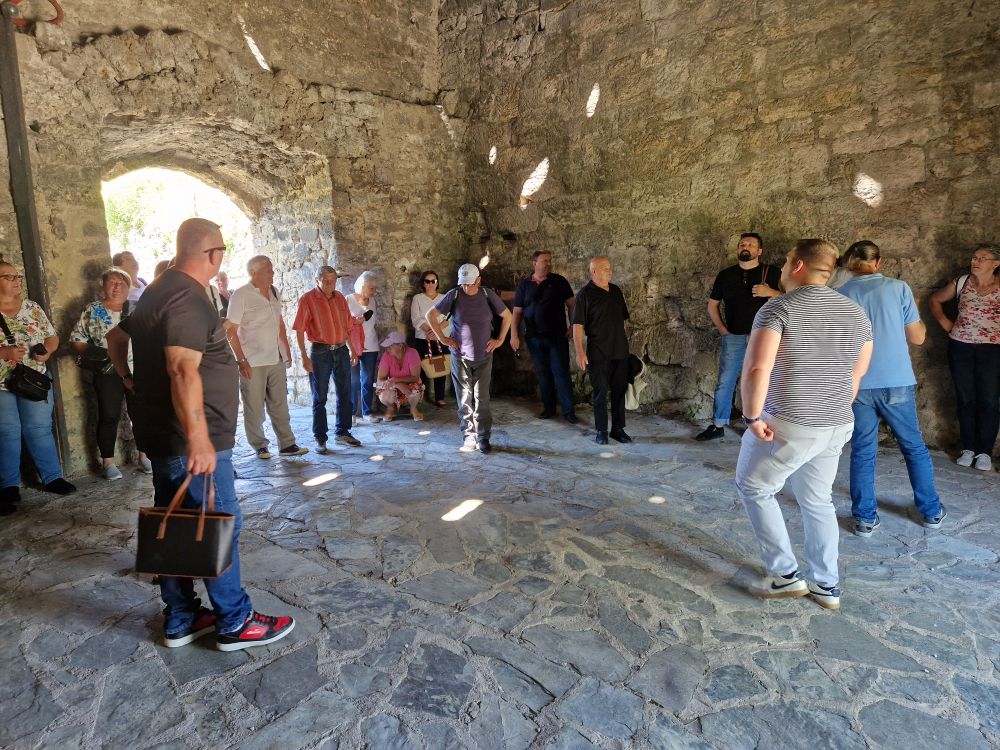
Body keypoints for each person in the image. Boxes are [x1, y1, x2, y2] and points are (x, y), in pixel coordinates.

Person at [107, 218, 294, 650]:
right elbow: (181, 368)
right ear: (213, 254)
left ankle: (182, 616)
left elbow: (116, 336)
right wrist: (199, 438)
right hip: (189, 437)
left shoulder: (159, 289)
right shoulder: (186, 297)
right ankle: (235, 620)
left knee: (174, 523)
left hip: (164, 434)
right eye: (222, 250)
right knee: (218, 523)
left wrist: (127, 377)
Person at [735, 239, 872, 611]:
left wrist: (752, 417)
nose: (781, 268)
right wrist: (833, 409)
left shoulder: (778, 307)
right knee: (817, 500)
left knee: (754, 486)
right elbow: (857, 372)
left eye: (785, 262)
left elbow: (758, 367)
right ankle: (826, 585)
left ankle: (784, 575)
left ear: (797, 265)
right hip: (836, 423)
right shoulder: (856, 313)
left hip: (790, 421)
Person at [838, 241, 945, 536]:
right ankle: (931, 511)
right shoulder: (898, 288)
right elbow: (918, 337)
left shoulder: (840, 294)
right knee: (913, 446)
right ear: (878, 262)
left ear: (849, 264)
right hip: (896, 379)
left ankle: (864, 518)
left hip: (858, 381)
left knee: (863, 449)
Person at [0, 260, 76, 513]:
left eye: (17, 276)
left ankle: (52, 477)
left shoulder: (31, 307)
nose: (16, 280)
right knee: (7, 432)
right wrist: (4, 353)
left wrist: (48, 352)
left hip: (33, 378)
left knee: (39, 428)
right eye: (9, 276)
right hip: (1, 383)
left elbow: (51, 335)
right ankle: (9, 485)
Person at [696, 232, 782, 441]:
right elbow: (712, 305)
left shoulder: (772, 273)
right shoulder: (726, 275)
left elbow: (791, 298)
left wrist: (770, 292)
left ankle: (756, 424)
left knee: (760, 379)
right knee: (725, 380)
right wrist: (723, 330)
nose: (745, 247)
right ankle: (718, 424)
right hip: (733, 335)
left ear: (759, 251)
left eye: (751, 245)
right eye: (742, 244)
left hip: (762, 337)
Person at [69, 267, 152, 479]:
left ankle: (144, 456)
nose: (117, 287)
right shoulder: (93, 310)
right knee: (109, 415)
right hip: (107, 371)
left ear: (128, 287)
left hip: (137, 369)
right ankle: (108, 462)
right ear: (103, 285)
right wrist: (98, 353)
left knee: (141, 414)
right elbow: (77, 340)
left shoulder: (137, 308)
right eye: (112, 282)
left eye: (121, 283)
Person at [224, 255, 307, 460]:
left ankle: (287, 444)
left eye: (272, 269)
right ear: (254, 272)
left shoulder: (274, 291)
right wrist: (241, 360)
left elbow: (279, 322)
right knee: (254, 406)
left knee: (280, 404)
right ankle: (260, 445)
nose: (272, 273)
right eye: (268, 270)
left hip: (275, 357)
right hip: (252, 360)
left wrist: (286, 349)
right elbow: (231, 331)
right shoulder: (240, 295)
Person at [426, 263, 512, 454]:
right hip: (460, 357)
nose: (466, 287)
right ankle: (469, 436)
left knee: (482, 398)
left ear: (478, 280)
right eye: (463, 283)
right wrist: (444, 339)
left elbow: (508, 316)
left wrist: (499, 340)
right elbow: (430, 315)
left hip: (484, 356)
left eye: (470, 283)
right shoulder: (454, 295)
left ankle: (483, 437)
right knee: (464, 399)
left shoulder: (487, 294)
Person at [929, 243, 1000, 471]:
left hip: (992, 350)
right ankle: (968, 448)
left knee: (989, 400)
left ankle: (985, 452)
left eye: (981, 258)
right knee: (965, 398)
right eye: (974, 257)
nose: (975, 262)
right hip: (961, 347)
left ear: (995, 264)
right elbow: (935, 300)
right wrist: (946, 323)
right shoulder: (962, 282)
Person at [292, 265, 363, 453]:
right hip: (320, 353)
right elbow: (299, 330)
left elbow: (346, 327)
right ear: (317, 280)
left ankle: (343, 432)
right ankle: (320, 438)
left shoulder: (340, 298)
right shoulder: (307, 299)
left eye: (333, 280)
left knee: (345, 393)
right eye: (325, 281)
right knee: (320, 397)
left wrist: (352, 349)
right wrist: (304, 357)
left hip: (341, 350)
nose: (330, 284)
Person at [511, 251, 578, 423]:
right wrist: (514, 335)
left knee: (561, 372)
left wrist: (572, 326)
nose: (548, 263)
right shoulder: (524, 285)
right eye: (544, 261)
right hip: (534, 337)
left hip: (557, 336)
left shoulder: (559, 281)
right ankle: (549, 409)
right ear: (534, 263)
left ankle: (569, 411)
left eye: (550, 260)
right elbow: (517, 312)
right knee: (543, 373)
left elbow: (572, 304)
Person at [573, 256, 631, 445]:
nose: (610, 271)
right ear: (594, 271)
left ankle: (618, 429)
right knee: (600, 393)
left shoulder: (616, 291)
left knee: (619, 391)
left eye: (610, 268)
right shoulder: (584, 295)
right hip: (598, 352)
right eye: (605, 268)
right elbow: (577, 326)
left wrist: (622, 342)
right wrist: (580, 352)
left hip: (620, 351)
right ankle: (601, 431)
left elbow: (623, 321)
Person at [410, 270, 451, 407]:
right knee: (420, 368)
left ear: (437, 283)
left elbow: (449, 318)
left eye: (433, 281)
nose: (430, 284)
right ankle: (419, 396)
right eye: (427, 281)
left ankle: (439, 397)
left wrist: (435, 332)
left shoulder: (444, 298)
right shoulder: (418, 298)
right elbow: (416, 319)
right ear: (423, 283)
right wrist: (429, 331)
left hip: (440, 339)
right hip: (423, 338)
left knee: (440, 368)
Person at [347, 271, 380, 422]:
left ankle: (367, 412)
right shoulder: (348, 300)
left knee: (367, 380)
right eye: (371, 288)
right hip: (353, 347)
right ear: (362, 286)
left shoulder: (373, 301)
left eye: (375, 288)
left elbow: (372, 324)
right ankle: (352, 413)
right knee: (353, 381)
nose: (374, 291)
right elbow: (342, 322)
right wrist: (355, 321)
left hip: (371, 345)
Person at [375, 331, 424, 421]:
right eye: (387, 346)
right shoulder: (386, 355)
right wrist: (397, 384)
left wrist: (396, 379)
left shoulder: (412, 353)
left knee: (415, 390)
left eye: (390, 346)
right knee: (384, 393)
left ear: (401, 346)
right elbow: (380, 379)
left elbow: (415, 377)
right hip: (393, 385)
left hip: (410, 384)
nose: (387, 348)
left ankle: (413, 408)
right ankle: (390, 408)